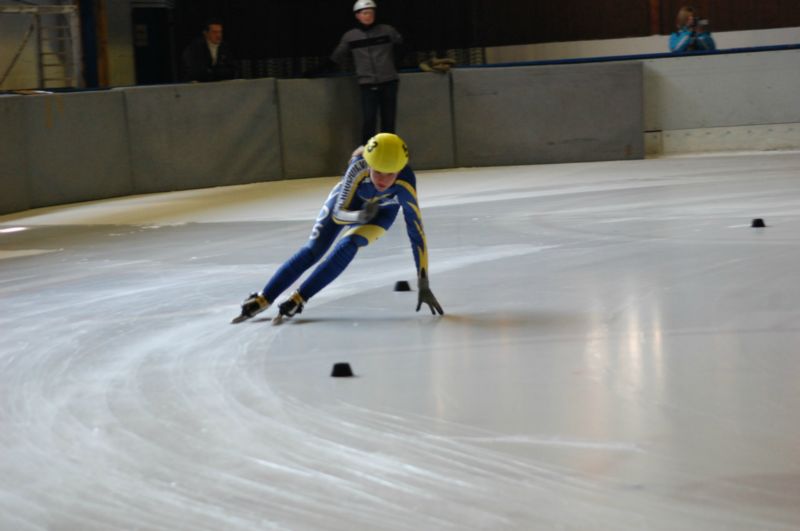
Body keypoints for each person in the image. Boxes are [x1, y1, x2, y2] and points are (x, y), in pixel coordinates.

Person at [233, 132, 444, 323]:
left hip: (381, 214)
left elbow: (416, 231)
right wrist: (360, 215)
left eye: (391, 174)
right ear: (369, 164)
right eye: (378, 172)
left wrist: (423, 282)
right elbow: (338, 214)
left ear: (400, 170)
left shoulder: (406, 183)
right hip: (348, 206)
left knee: (348, 246)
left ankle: (301, 297)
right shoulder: (358, 167)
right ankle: (265, 297)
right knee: (313, 251)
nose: (383, 180)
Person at [332, 0, 404, 144]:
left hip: (389, 82)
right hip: (367, 84)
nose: (368, 16)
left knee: (388, 121)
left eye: (371, 13)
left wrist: (396, 65)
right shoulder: (351, 36)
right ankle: (367, 153)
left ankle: (387, 153)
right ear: (357, 16)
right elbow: (337, 56)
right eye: (365, 13)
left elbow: (402, 46)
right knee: (369, 120)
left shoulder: (387, 31)